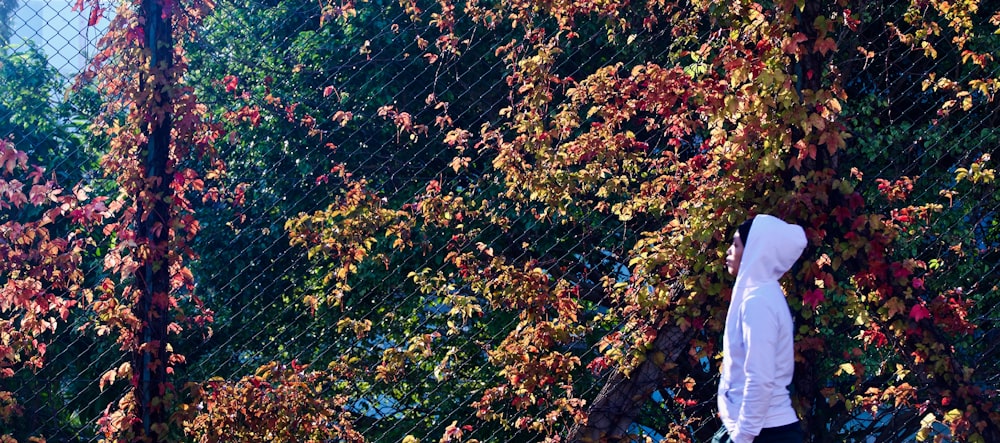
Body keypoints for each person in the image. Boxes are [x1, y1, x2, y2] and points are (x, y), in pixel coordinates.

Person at [713, 214, 807, 443]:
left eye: (736, 245)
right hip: (759, 429)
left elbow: (760, 377)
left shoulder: (758, 302)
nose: (728, 251)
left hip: (764, 433)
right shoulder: (762, 294)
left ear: (755, 250)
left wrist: (743, 437)